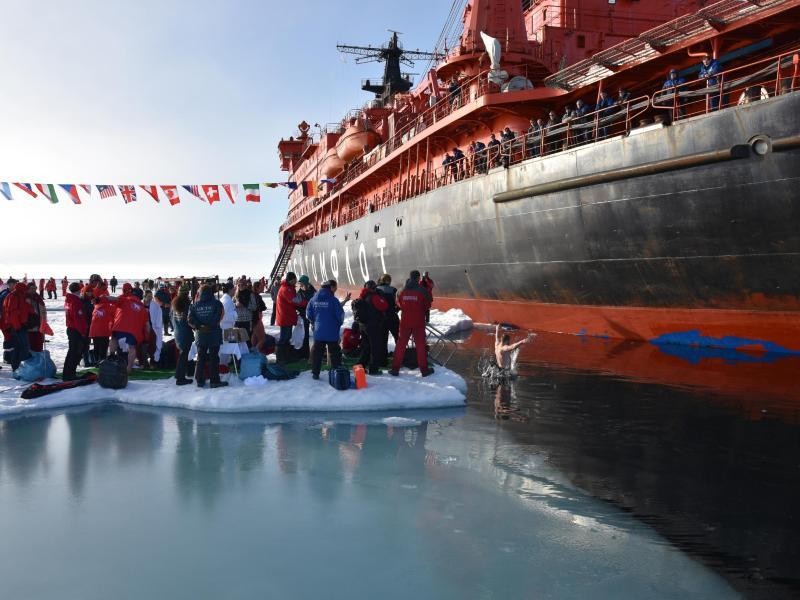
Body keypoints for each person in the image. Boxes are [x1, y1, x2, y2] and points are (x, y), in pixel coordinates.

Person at [390, 271, 433, 377]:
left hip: (405, 321)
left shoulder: (401, 291)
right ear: (418, 278)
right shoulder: (422, 290)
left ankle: (395, 369)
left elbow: (398, 303)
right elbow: (427, 305)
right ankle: (424, 370)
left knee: (401, 345)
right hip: (418, 322)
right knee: (420, 346)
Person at [188, 284, 227, 388]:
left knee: (201, 357)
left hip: (201, 335)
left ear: (200, 293)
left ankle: (200, 380)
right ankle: (214, 381)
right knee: (214, 358)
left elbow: (190, 320)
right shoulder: (217, 304)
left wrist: (199, 326)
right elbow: (221, 316)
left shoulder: (194, 305)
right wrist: (210, 326)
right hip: (214, 334)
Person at [305, 279, 345, 380]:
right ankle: (337, 373)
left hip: (318, 332)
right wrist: (338, 324)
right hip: (332, 332)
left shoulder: (313, 299)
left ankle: (315, 373)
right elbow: (340, 315)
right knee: (334, 353)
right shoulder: (333, 300)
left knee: (317, 352)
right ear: (329, 288)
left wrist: (314, 323)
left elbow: (308, 314)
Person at [110, 282, 150, 374]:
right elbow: (147, 325)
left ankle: (111, 357)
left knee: (114, 339)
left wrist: (99, 299)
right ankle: (129, 368)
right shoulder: (143, 308)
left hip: (119, 326)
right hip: (133, 330)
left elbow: (112, 300)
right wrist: (146, 337)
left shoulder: (124, 299)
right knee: (132, 348)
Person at [352, 280, 388, 375]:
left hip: (363, 325)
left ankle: (360, 366)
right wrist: (381, 297)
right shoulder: (374, 297)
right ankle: (373, 369)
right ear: (374, 288)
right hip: (373, 326)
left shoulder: (361, 296)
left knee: (366, 347)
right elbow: (384, 306)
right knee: (375, 347)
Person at [1, 280, 32, 371]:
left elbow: (23, 310)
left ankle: (17, 366)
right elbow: (13, 313)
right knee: (20, 347)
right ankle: (16, 367)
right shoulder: (14, 296)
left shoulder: (19, 296)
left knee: (18, 347)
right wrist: (17, 326)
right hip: (17, 326)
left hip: (19, 324)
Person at [275, 272, 303, 365]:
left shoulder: (288, 288)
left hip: (287, 316)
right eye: (294, 280)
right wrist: (306, 302)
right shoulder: (286, 289)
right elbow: (295, 301)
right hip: (285, 317)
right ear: (291, 280)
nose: (296, 282)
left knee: (287, 337)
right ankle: (281, 358)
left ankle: (286, 357)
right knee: (284, 337)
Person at [63, 282, 89, 380]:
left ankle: (67, 373)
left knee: (71, 352)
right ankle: (70, 374)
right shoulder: (76, 301)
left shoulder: (68, 300)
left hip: (71, 328)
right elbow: (79, 318)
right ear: (79, 290)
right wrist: (83, 332)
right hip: (76, 330)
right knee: (75, 353)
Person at [171, 285, 194, 386]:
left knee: (183, 354)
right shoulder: (187, 305)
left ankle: (184, 373)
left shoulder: (174, 304)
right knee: (183, 355)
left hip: (177, 332)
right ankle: (180, 378)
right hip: (185, 333)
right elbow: (190, 320)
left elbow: (171, 318)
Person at [376, 274, 399, 367]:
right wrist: (395, 310)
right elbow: (398, 303)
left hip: (381, 318)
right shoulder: (394, 290)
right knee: (398, 338)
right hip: (393, 317)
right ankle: (400, 358)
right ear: (389, 281)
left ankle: (383, 361)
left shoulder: (377, 290)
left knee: (383, 340)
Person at [89, 293, 116, 362]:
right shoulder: (109, 307)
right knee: (103, 348)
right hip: (104, 331)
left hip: (94, 331)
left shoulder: (96, 306)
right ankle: (102, 362)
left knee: (96, 347)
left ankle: (96, 361)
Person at [296, 275, 315, 360]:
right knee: (305, 335)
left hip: (313, 316)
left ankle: (317, 353)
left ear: (306, 284)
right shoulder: (299, 292)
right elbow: (297, 305)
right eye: (300, 284)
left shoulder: (313, 291)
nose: (301, 285)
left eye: (302, 284)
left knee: (317, 335)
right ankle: (305, 354)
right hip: (303, 316)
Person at [25, 282, 47, 354]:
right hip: (30, 325)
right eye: (31, 288)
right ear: (28, 289)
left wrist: (44, 321)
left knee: (39, 343)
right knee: (31, 344)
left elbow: (43, 310)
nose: (33, 290)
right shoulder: (25, 298)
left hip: (40, 324)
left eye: (35, 288)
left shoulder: (38, 297)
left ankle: (38, 360)